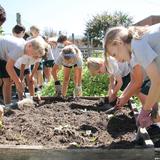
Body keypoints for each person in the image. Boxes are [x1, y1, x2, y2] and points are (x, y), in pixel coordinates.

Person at [104, 24, 160, 128]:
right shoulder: (137, 44)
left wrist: (145, 111)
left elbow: (156, 82)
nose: (117, 60)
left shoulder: (137, 45)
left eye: (114, 54)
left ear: (118, 43)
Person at [0, 36, 47, 104]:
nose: (32, 56)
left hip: (3, 59)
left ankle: (7, 106)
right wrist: (18, 82)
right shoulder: (20, 48)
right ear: (29, 46)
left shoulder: (24, 47)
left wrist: (17, 81)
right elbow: (9, 67)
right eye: (33, 54)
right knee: (7, 81)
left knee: (8, 81)